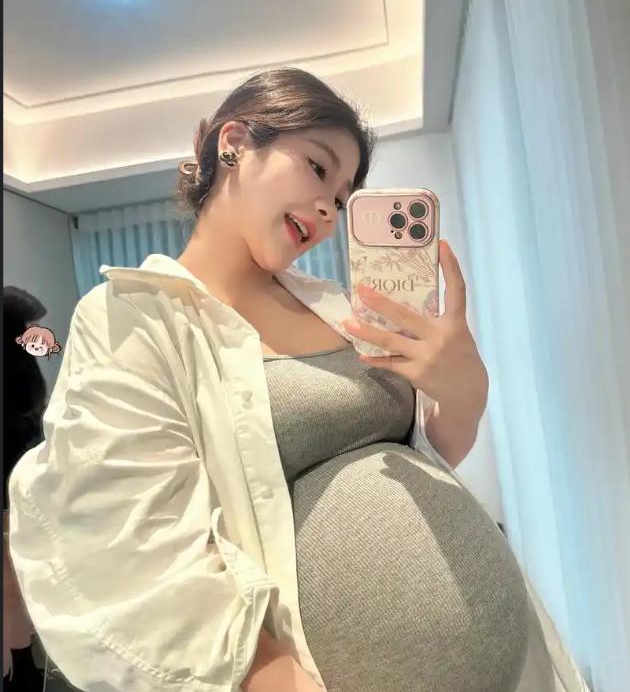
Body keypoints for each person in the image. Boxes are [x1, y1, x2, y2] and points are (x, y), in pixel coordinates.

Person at [7, 67, 590, 692]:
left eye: (341, 198)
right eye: (318, 168)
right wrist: (273, 677)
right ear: (234, 143)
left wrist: (464, 392)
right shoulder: (133, 317)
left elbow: (424, 453)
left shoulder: (335, 304)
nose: (328, 211)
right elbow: (131, 549)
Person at [3, 287, 48, 690]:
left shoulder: (23, 372)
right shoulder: (18, 376)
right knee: (13, 585)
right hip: (16, 491)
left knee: (14, 585)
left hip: (21, 491)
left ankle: (24, 665)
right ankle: (23, 666)